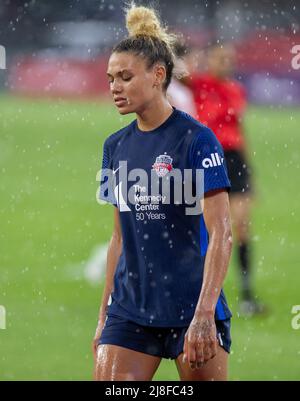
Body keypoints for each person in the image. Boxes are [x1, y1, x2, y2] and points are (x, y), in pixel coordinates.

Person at [93, 4, 233, 381]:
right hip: (131, 308)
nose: (115, 87)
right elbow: (119, 237)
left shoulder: (198, 141)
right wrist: (105, 315)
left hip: (192, 304)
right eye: (110, 79)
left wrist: (205, 313)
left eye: (125, 76)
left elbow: (222, 232)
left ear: (158, 75)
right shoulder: (114, 147)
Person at [185, 42, 266, 315]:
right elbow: (174, 68)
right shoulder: (199, 84)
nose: (226, 63)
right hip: (209, 158)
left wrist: (250, 171)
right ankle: (204, 293)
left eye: (229, 58)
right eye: (221, 58)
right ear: (210, 60)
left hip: (234, 159)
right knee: (209, 227)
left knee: (240, 226)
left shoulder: (235, 89)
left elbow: (238, 129)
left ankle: (246, 294)